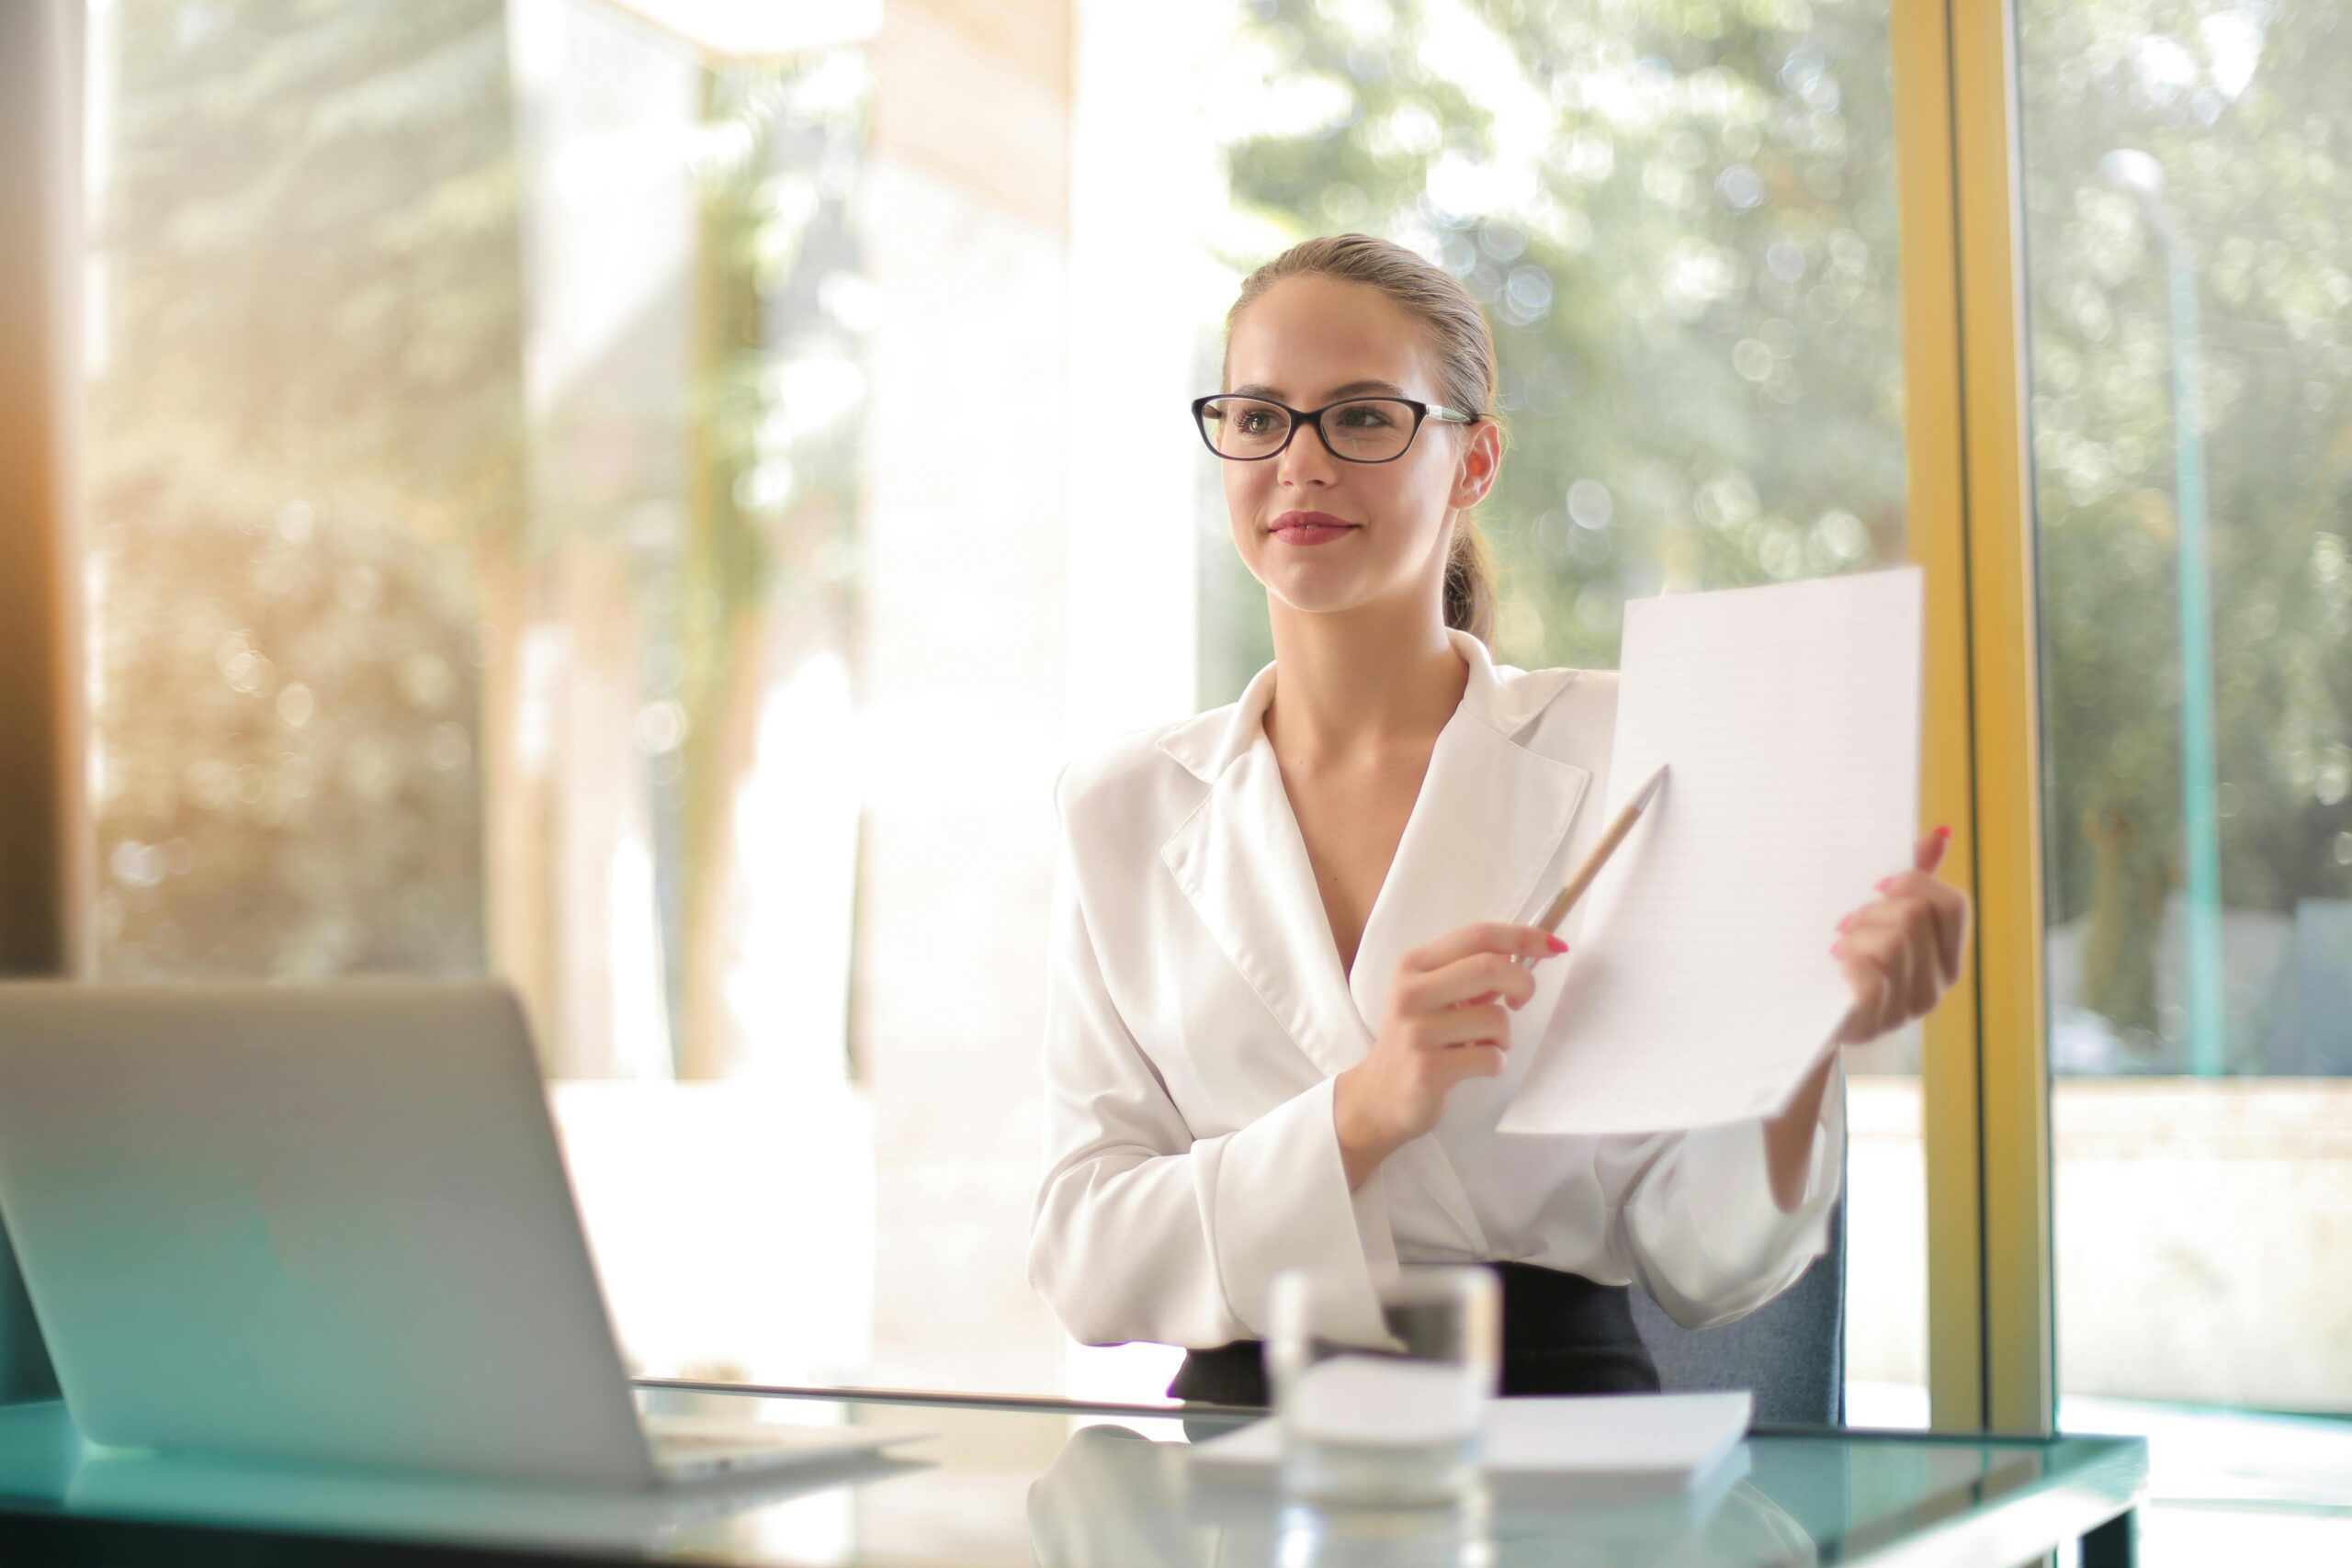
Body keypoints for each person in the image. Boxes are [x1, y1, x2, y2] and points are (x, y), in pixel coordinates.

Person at [1025, 233, 1968, 1404]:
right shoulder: (1121, 807)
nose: (1299, 464)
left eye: (1363, 418)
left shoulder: (1644, 760)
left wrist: (1809, 1030)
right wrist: (1362, 1114)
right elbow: (1086, 1254)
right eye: (1259, 417)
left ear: (1473, 462)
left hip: (1556, 1427)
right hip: (1235, 1457)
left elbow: (1706, 1261)